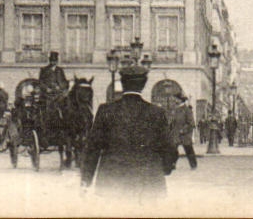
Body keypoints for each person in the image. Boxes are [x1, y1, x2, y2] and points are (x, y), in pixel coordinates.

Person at [80, 63, 180, 199]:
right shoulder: (157, 112)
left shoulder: (105, 110)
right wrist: (166, 169)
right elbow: (169, 146)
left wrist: (86, 181)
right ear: (144, 84)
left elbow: (92, 148)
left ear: (122, 83)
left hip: (112, 183)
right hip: (148, 182)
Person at [168, 89, 198, 169]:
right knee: (173, 149)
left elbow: (191, 123)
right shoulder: (174, 110)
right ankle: (172, 164)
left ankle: (193, 165)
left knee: (188, 149)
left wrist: (183, 130)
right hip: (176, 133)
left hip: (185, 134)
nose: (174, 101)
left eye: (176, 99)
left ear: (180, 100)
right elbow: (172, 122)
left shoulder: (187, 110)